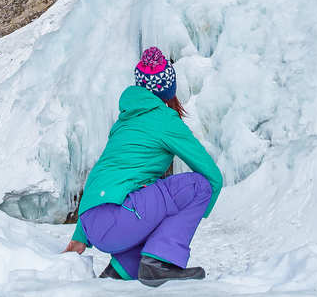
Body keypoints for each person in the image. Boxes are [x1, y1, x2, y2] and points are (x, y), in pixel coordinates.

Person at [62, 47, 223, 287]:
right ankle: (159, 264)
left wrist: (80, 235)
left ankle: (120, 270)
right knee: (198, 185)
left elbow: (102, 176)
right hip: (119, 219)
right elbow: (212, 177)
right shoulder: (165, 120)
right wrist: (195, 213)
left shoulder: (124, 122)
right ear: (168, 88)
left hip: (95, 224)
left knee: (154, 197)